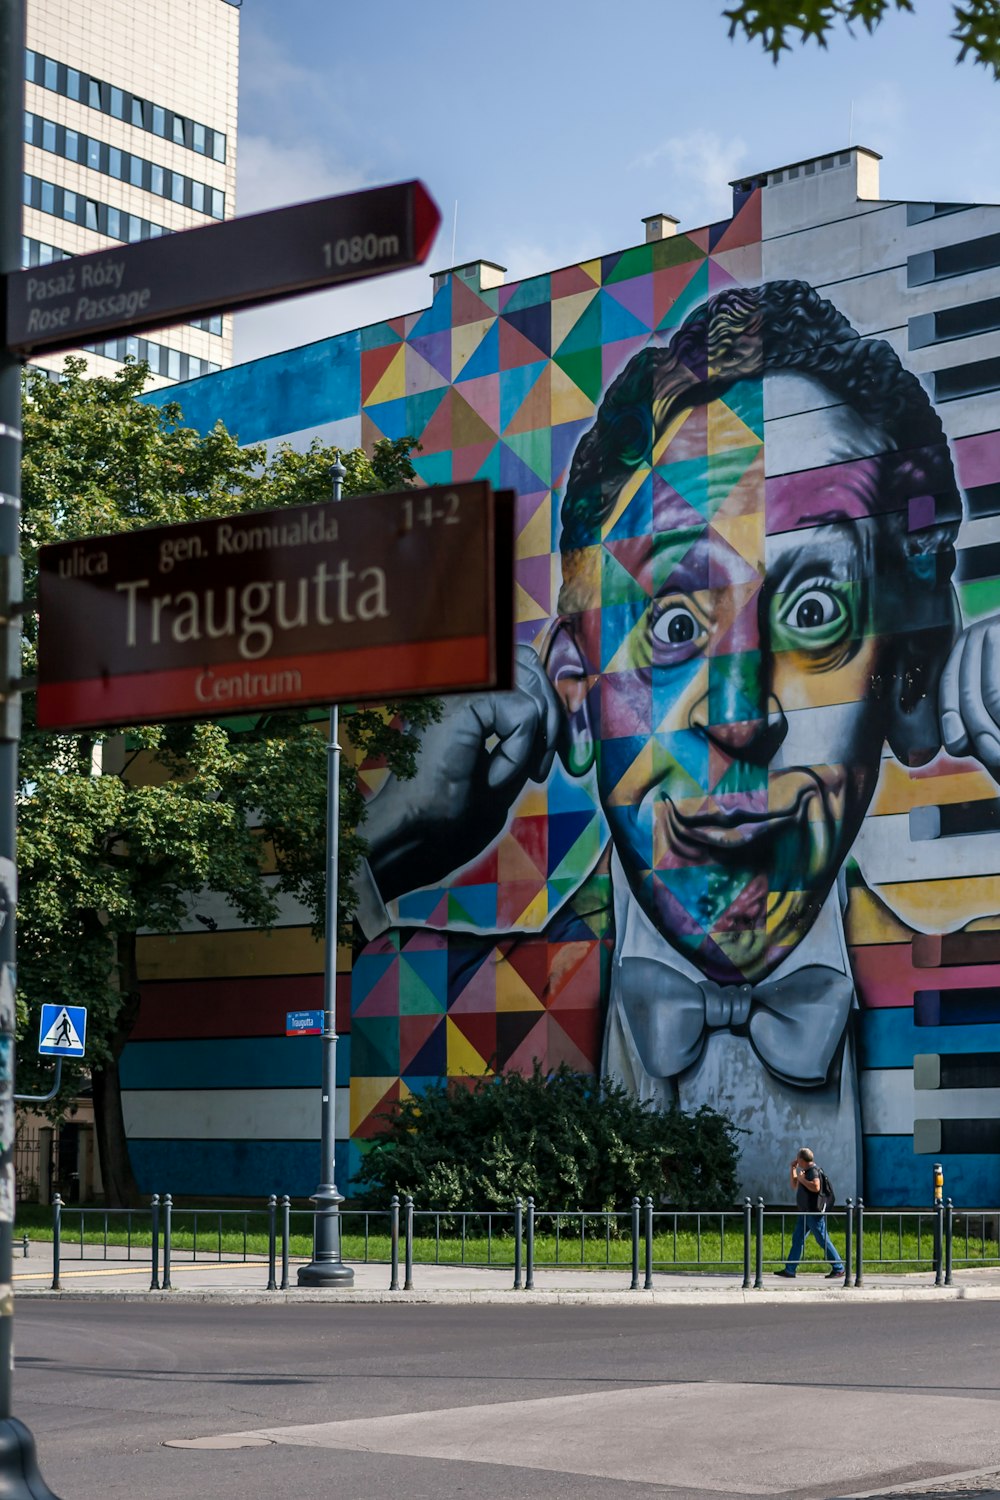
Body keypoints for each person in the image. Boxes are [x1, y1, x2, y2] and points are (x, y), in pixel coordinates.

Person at [356, 278, 999, 1202]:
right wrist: (393, 830)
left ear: (909, 674)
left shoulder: (974, 992)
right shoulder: (435, 996)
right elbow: (296, 977)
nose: (740, 718)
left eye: (813, 612)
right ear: (573, 692)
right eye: (671, 627)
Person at [774, 1147, 844, 1279]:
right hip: (805, 1212)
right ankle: (790, 1269)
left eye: (797, 1159)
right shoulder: (806, 1171)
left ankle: (838, 1268)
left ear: (801, 1159)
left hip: (813, 1213)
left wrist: (802, 1180)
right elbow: (795, 1185)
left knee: (823, 1240)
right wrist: (793, 1169)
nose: (796, 1161)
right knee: (797, 1239)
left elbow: (816, 1187)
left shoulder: (813, 1171)